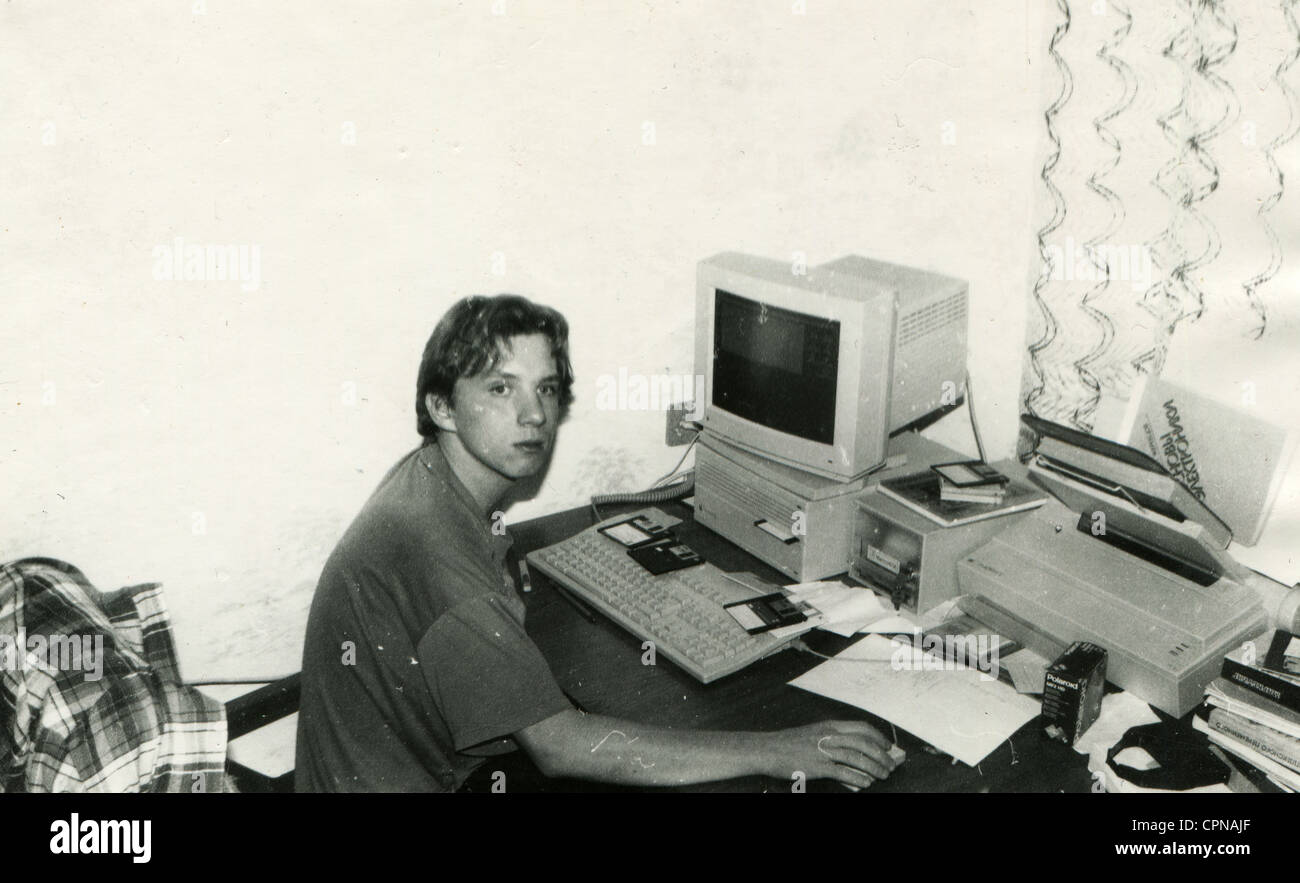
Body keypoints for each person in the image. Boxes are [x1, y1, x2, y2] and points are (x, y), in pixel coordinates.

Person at [295, 293, 902, 792]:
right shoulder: (436, 550)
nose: (535, 414)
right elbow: (559, 747)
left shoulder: (426, 482)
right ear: (442, 406)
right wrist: (778, 749)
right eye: (501, 389)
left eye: (548, 388)